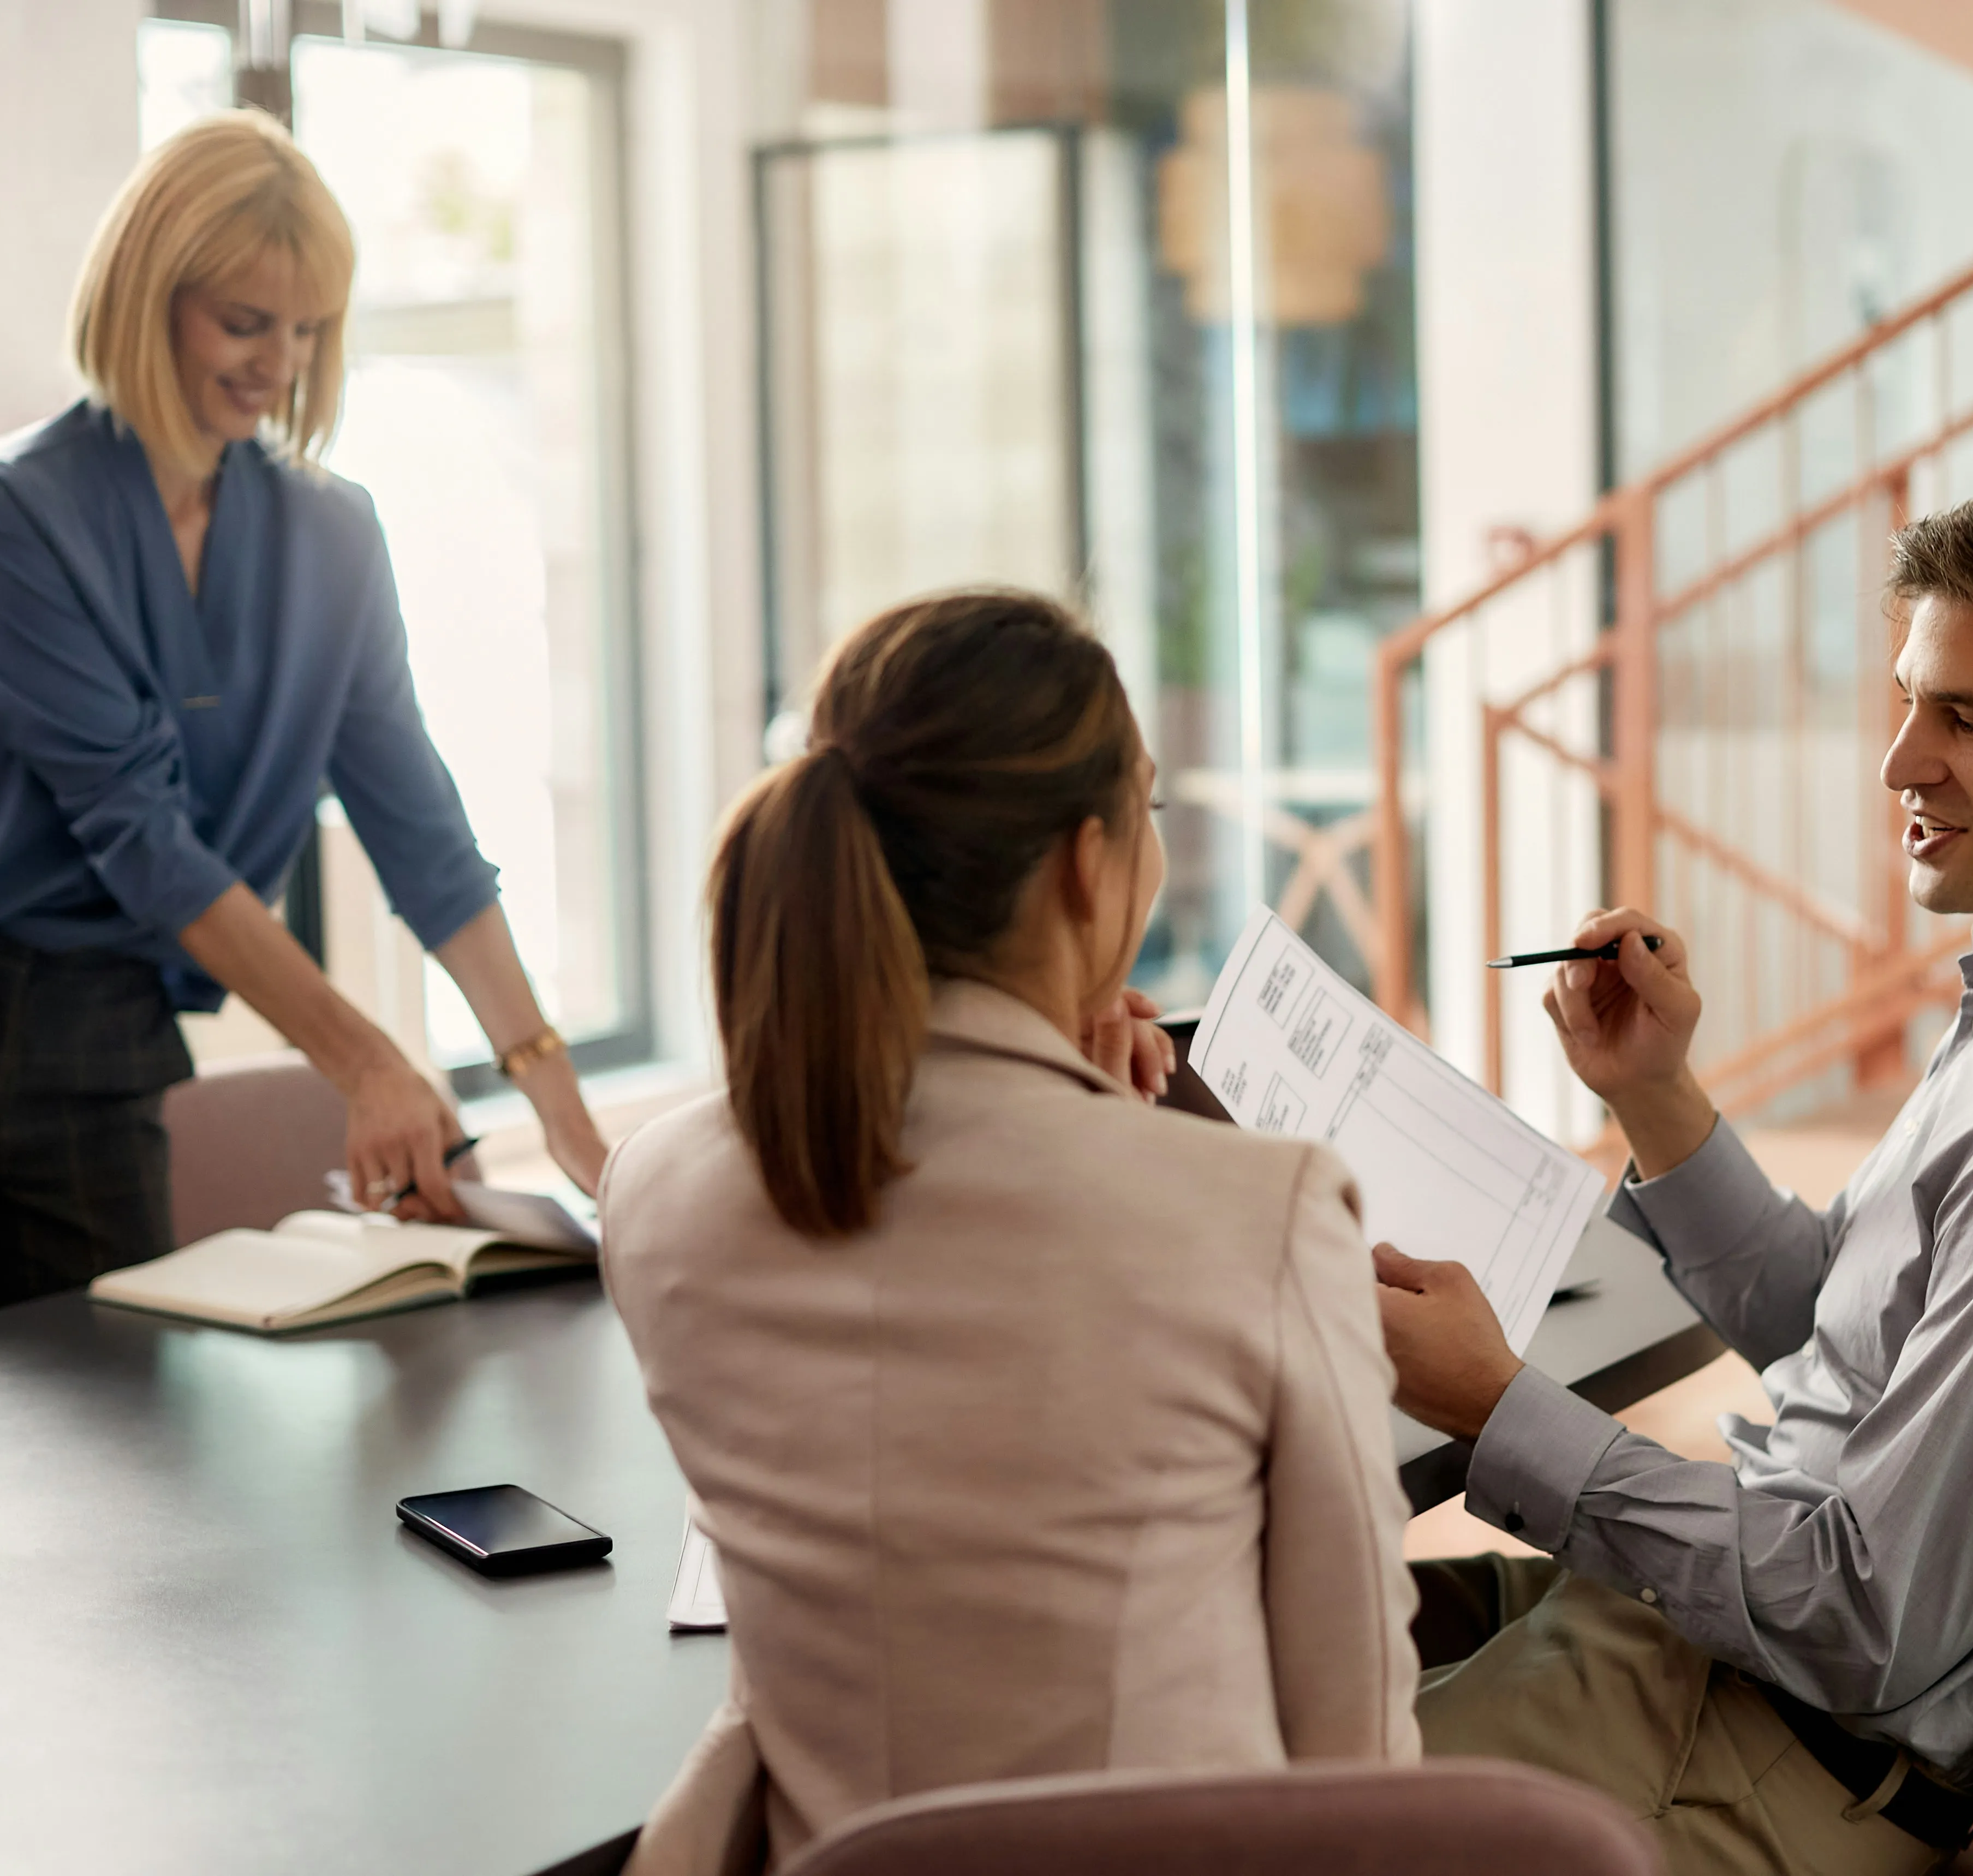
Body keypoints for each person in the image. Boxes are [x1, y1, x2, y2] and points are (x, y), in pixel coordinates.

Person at [1376, 471, 1973, 1874]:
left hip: (1762, 1739)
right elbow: (1847, 1320)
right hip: (1706, 1641)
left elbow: (1863, 1620)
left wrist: (1501, 1408)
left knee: (1221, 1807)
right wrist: (1656, 1095)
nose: (1899, 761)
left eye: (1968, 718)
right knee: (1231, 1647)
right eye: (1906, 698)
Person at [601, 590, 1419, 1872]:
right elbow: (1358, 1757)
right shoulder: (1257, 1213)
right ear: (1085, 865)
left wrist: (1072, 1096)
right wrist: (1099, 1126)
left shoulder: (651, 1193)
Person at [0, 111, 606, 1351]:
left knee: (129, 1443)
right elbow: (144, 842)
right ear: (148, 301)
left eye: (307, 328)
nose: (276, 362)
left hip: (104, 1027)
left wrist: (568, 1112)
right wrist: (369, 1063)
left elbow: (419, 826)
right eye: (242, 320)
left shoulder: (334, 537)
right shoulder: (10, 513)